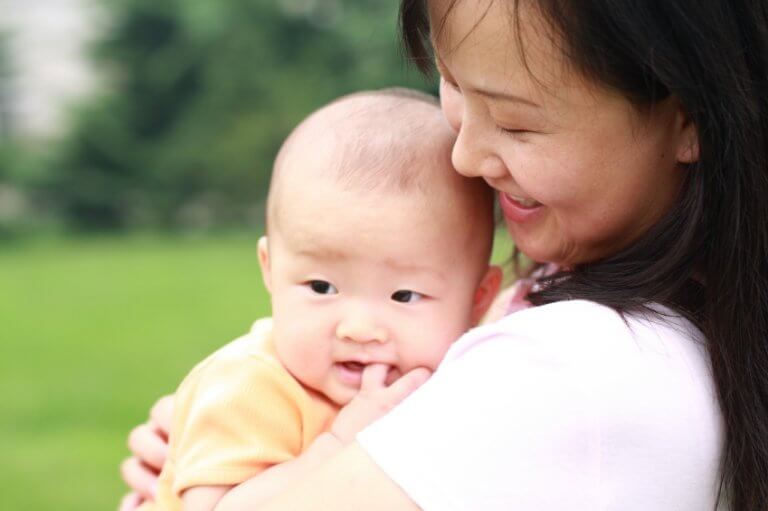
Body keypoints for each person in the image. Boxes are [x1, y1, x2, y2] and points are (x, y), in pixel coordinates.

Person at [120, 0, 768, 509]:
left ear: (691, 119)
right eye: (453, 83)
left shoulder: (578, 365)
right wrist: (209, 443)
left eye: (517, 123)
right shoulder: (589, 300)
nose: (464, 157)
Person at [131, 88, 502, 511]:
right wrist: (341, 443)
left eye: (404, 295)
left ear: (478, 299)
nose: (359, 329)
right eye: (322, 288)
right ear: (269, 268)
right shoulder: (250, 387)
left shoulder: (456, 384)